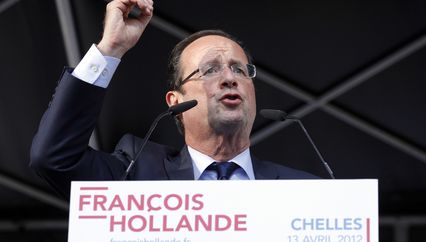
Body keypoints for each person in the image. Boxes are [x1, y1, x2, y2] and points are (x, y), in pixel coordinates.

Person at [30, 0, 317, 200]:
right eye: (210, 70)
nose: (230, 78)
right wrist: (111, 48)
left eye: (240, 69)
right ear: (175, 101)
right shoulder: (137, 173)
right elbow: (55, 159)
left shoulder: (306, 190)